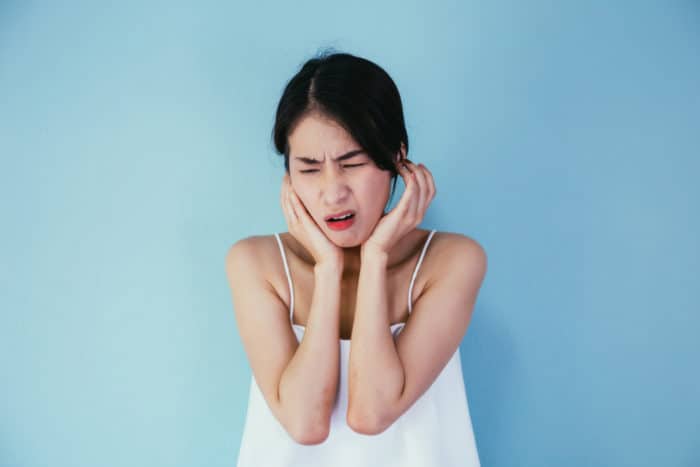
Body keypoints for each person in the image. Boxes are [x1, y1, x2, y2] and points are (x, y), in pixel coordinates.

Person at [225, 50, 487, 466]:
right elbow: (304, 423)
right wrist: (327, 267)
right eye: (309, 169)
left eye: (354, 163)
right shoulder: (256, 263)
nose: (333, 193)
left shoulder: (452, 261)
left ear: (397, 158)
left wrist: (377, 254)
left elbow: (371, 412)